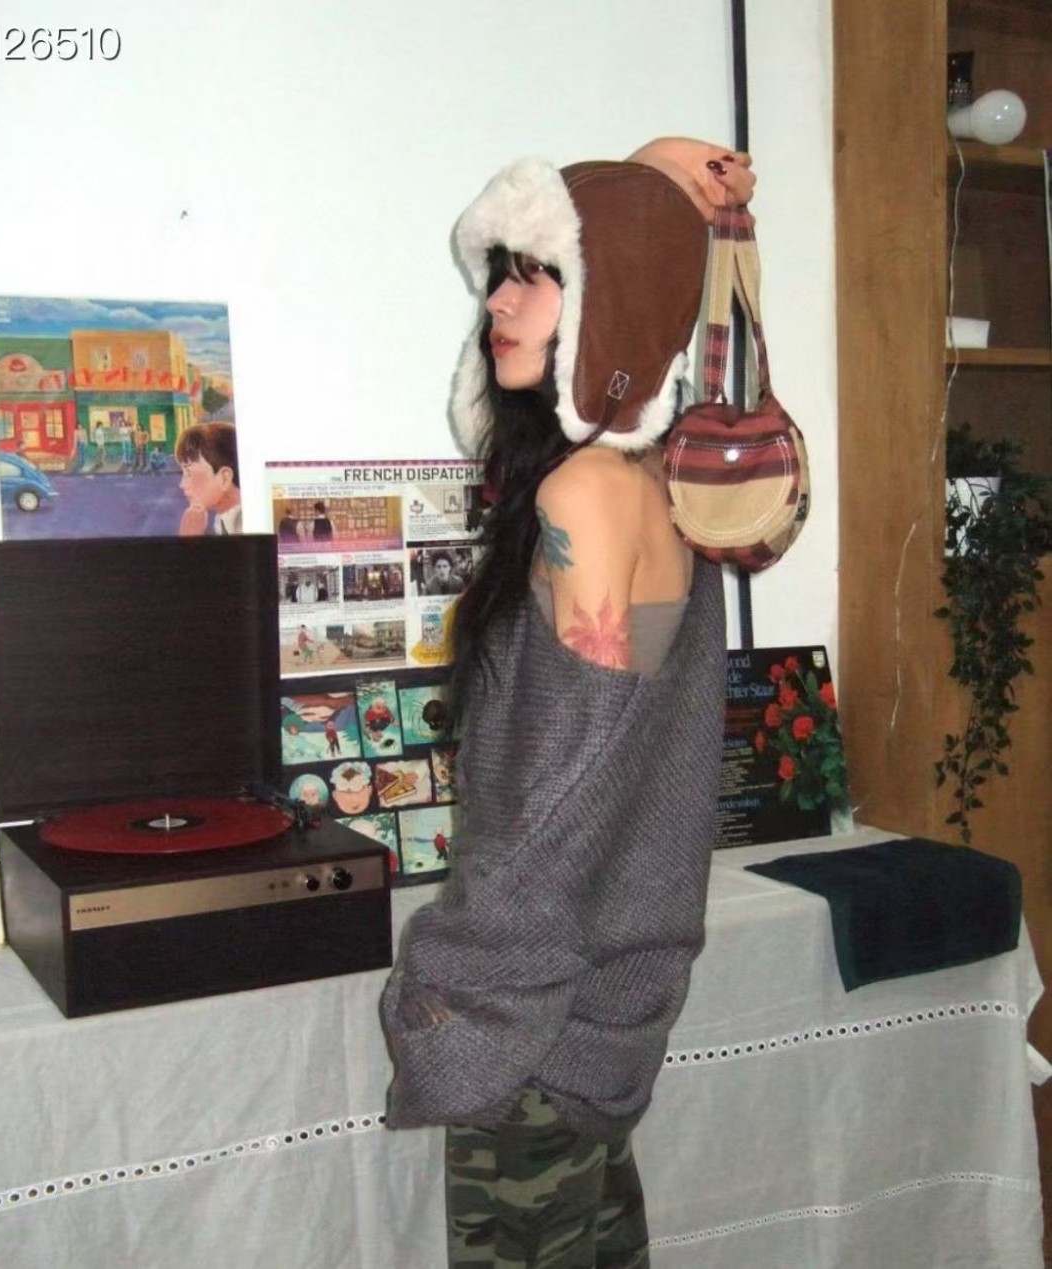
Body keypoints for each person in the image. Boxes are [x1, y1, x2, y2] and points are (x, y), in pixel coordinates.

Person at [379, 137, 755, 1266]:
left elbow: (559, 801)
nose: (500, 302)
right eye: (500, 274)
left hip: (534, 1027)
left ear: (600, 302)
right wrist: (656, 171)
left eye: (538, 277)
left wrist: (454, 989)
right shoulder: (643, 483)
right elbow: (601, 757)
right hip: (591, 1009)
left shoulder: (583, 493)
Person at [174, 422, 242, 535]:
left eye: (188, 472)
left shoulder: (243, 525)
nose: (182, 484)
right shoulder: (221, 520)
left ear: (224, 478)